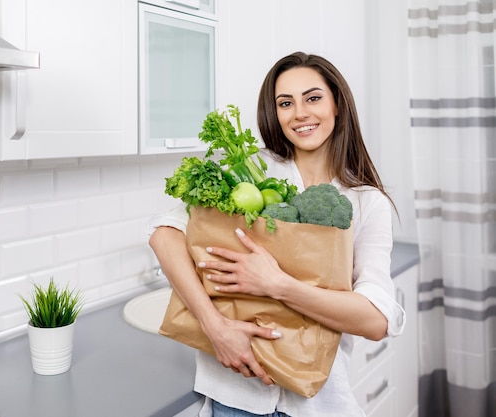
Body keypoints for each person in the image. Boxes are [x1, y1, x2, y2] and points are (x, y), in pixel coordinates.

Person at [147, 52, 406, 417]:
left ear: (337, 105)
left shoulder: (366, 203)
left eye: (313, 98)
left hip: (318, 403)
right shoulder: (250, 171)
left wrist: (277, 285)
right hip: (232, 398)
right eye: (286, 103)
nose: (300, 112)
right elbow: (164, 234)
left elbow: (377, 320)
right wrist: (215, 326)